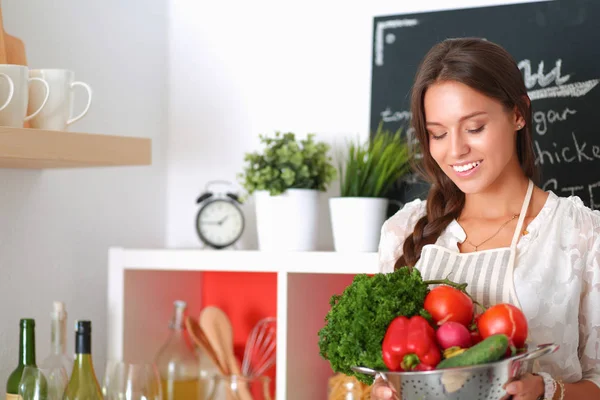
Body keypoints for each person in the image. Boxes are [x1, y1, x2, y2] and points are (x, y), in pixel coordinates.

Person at [372, 38, 600, 400]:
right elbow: (382, 375)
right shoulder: (403, 230)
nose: (456, 149)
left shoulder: (581, 233)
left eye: (474, 127)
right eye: (438, 134)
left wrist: (549, 391)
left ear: (518, 114)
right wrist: (382, 393)